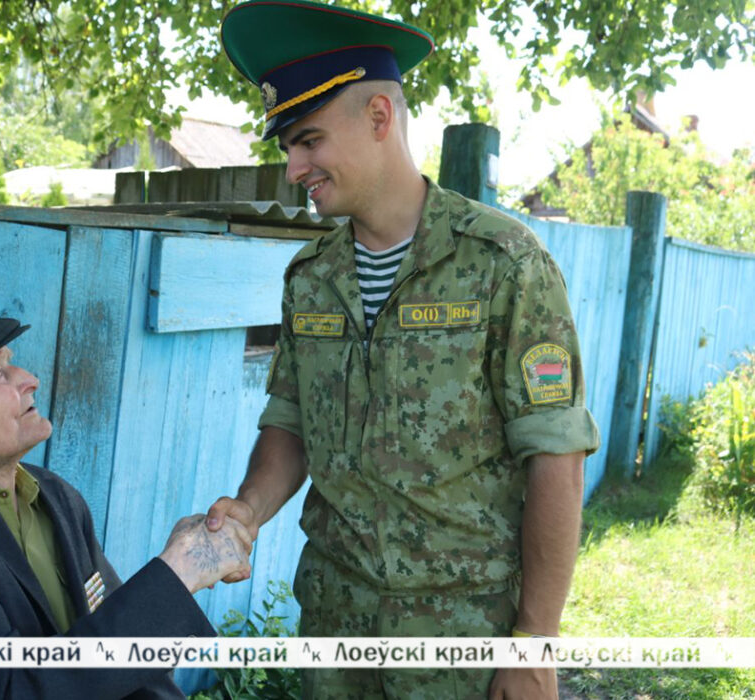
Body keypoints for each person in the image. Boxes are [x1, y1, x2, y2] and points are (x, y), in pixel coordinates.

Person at [207, 2, 601, 698]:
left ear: (380, 117)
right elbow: (291, 423)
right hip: (335, 629)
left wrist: (534, 641)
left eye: (309, 141)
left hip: (462, 641)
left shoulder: (503, 263)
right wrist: (248, 509)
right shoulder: (312, 277)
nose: (294, 167)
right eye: (288, 147)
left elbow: (555, 456)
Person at [0, 317, 253, 700]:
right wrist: (180, 572)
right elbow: (13, 690)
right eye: (0, 375)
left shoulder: (53, 494)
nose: (30, 379)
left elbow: (126, 659)